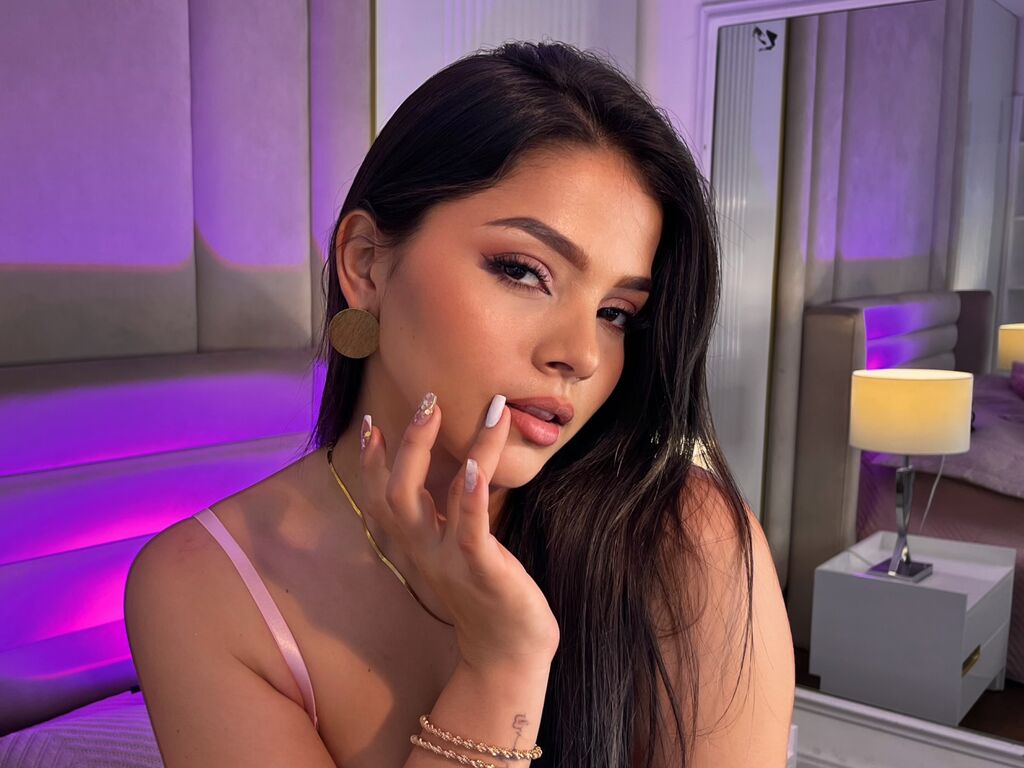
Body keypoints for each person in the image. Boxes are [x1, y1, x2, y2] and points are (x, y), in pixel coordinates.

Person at [124, 40, 795, 768]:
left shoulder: (689, 543)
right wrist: (503, 663)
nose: (582, 354)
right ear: (365, 264)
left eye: (616, 313)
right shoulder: (203, 588)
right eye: (524, 271)